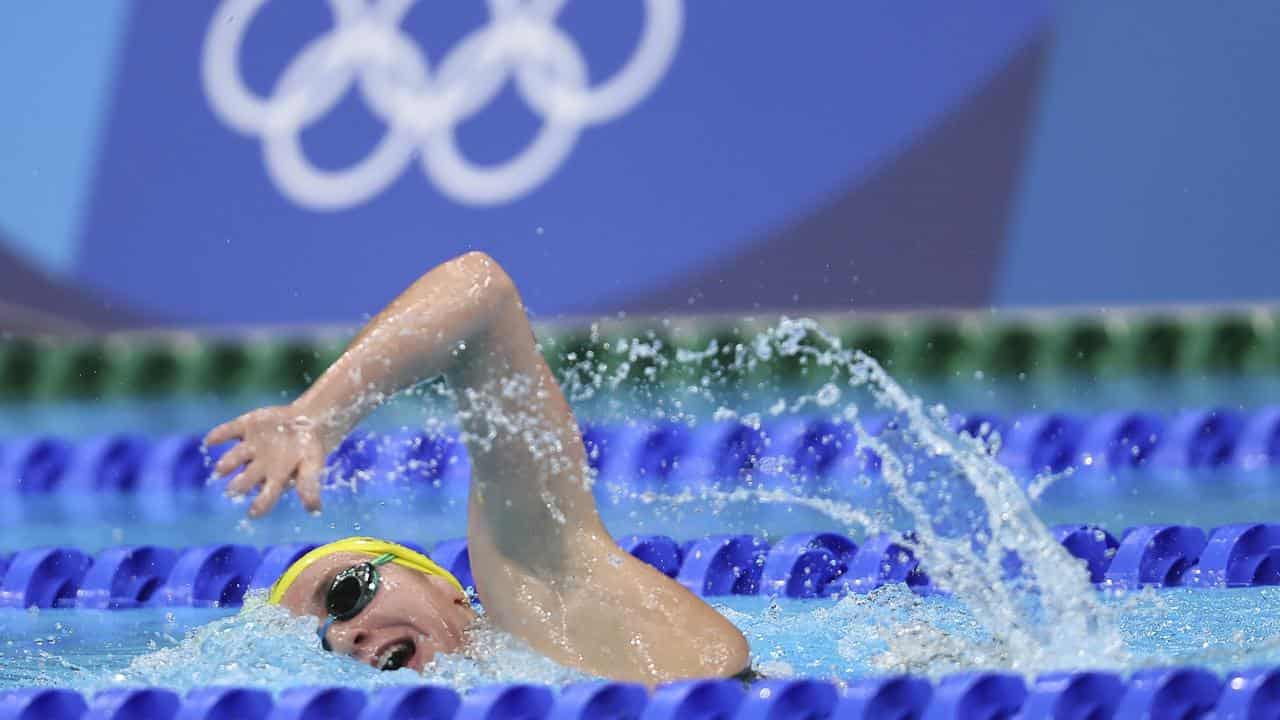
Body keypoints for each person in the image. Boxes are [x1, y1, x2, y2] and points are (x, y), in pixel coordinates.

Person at [204, 251, 751, 684]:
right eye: (322, 645)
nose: (345, 637)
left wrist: (317, 417)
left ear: (446, 588)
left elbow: (480, 294)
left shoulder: (552, 600)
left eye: (345, 593)